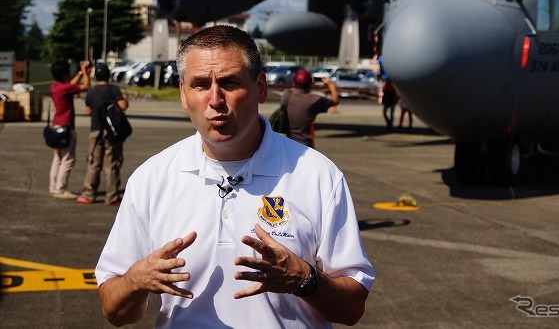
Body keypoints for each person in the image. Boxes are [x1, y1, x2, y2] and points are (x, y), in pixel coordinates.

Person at [95, 26, 374, 327]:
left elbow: (351, 310)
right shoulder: (150, 179)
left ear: (261, 88)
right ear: (184, 95)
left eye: (229, 83)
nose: (216, 100)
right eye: (200, 85)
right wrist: (136, 280)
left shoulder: (318, 176)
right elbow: (114, 311)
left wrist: (305, 279)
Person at [77, 63, 128, 206]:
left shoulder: (91, 92)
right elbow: (123, 106)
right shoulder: (113, 89)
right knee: (111, 164)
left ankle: (88, 194)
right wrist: (124, 98)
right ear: (108, 75)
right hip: (112, 132)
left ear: (95, 76)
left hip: (95, 130)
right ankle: (111, 196)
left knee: (94, 163)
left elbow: (88, 111)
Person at [48, 60, 91, 199]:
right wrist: (85, 73)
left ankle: (53, 188)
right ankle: (61, 189)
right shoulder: (65, 88)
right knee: (68, 159)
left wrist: (79, 72)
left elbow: (70, 85)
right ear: (65, 74)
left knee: (58, 159)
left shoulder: (55, 87)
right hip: (66, 127)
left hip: (56, 127)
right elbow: (86, 86)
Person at [285, 68, 339, 148]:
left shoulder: (286, 95)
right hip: (305, 144)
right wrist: (330, 85)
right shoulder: (314, 100)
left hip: (287, 142)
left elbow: (293, 89)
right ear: (310, 83)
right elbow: (335, 101)